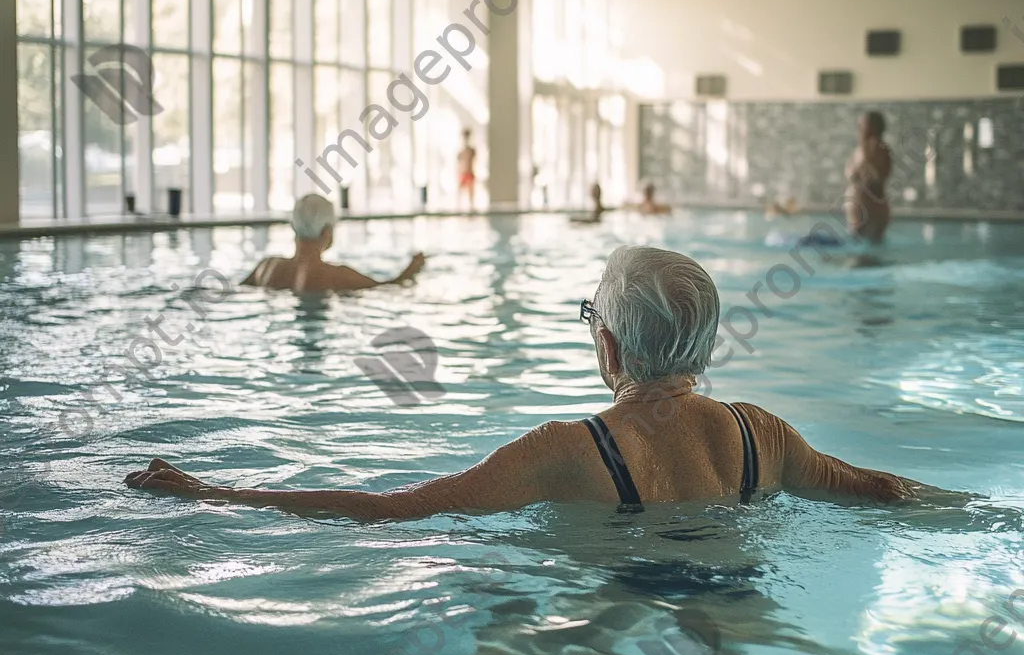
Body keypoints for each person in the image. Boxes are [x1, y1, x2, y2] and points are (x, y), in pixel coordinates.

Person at [126, 246, 918, 519]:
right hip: (736, 599)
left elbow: (391, 510)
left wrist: (214, 495)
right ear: (705, 343)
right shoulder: (761, 433)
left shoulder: (566, 449)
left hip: (616, 602)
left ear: (608, 345)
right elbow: (876, 490)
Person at [240, 194, 425, 292]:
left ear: (293, 226)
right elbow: (390, 288)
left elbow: (232, 291)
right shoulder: (337, 276)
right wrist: (413, 268)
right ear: (327, 232)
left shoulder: (266, 267)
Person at [845, 111, 892, 242]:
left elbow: (878, 177)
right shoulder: (863, 147)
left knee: (865, 254)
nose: (859, 127)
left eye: (862, 123)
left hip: (870, 210)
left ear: (873, 127)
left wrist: (866, 160)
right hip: (864, 212)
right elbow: (853, 174)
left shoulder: (876, 146)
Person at [456, 128, 476, 209]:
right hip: (462, 174)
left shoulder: (471, 151)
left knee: (470, 195)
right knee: (459, 194)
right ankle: (459, 208)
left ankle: (471, 208)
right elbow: (458, 164)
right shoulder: (461, 152)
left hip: (469, 173)